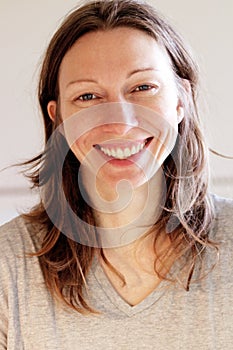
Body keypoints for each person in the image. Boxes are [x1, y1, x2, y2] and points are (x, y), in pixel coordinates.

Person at [0, 0, 232, 349]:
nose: (120, 122)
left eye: (143, 88)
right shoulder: (7, 268)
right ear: (58, 118)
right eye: (88, 96)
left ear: (181, 100)